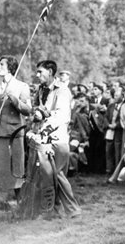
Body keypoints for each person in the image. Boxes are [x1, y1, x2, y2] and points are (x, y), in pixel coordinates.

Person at [32, 59, 81, 217]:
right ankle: (52, 210)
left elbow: (61, 116)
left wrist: (43, 124)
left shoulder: (62, 91)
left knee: (58, 175)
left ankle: (73, 210)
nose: (37, 74)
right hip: (43, 138)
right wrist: (35, 115)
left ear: (51, 72)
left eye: (40, 72)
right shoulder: (41, 89)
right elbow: (36, 108)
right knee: (46, 175)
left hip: (57, 139)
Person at [0, 55, 32, 213]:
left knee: (16, 169)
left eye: (1, 64)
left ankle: (20, 203)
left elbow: (28, 109)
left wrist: (15, 100)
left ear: (10, 67)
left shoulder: (21, 86)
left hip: (14, 133)